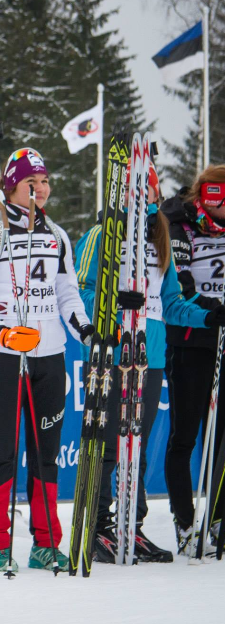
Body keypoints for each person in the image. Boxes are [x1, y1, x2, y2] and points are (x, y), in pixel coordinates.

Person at [74, 160, 224, 564]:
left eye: (150, 193)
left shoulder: (158, 241)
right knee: (107, 445)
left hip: (151, 356)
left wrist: (209, 316)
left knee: (134, 445)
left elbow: (172, 303)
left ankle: (130, 526)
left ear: (157, 196)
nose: (144, 200)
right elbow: (77, 293)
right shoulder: (100, 235)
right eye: (136, 193)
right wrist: (112, 302)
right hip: (113, 353)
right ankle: (99, 525)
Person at [0, 147, 93, 573]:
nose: (40, 190)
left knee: (46, 453)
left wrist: (85, 330)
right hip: (4, 358)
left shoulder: (57, 234)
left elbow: (67, 293)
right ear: (11, 187)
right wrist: (2, 333)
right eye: (30, 183)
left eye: (45, 181)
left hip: (49, 357)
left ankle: (45, 542)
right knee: (0, 451)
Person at [162, 165, 225, 555]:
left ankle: (218, 521)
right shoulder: (180, 221)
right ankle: (185, 523)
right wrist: (209, 308)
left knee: (220, 440)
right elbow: (179, 280)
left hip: (223, 340)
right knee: (184, 436)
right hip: (190, 340)